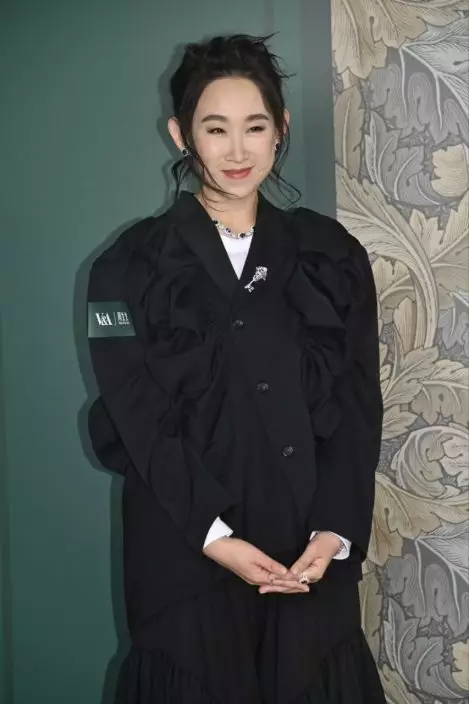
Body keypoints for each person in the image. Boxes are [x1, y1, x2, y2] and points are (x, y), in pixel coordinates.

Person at [87, 33, 385, 704]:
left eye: (254, 126)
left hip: (306, 554)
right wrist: (213, 537)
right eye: (214, 128)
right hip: (183, 554)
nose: (237, 150)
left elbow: (357, 403)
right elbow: (136, 418)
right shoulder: (126, 266)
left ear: (280, 128)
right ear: (180, 134)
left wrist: (335, 531)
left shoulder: (332, 254)